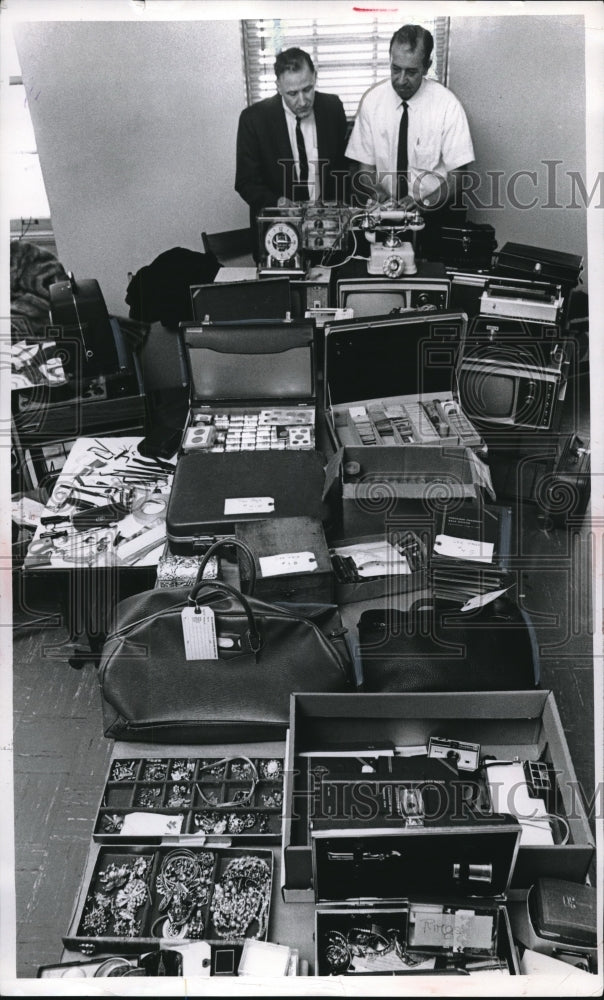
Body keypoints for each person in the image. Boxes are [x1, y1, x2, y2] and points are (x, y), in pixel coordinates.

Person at [345, 24, 475, 254]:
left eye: (412, 72)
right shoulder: (372, 101)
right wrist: (378, 194)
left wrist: (424, 203)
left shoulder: (447, 106)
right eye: (396, 69)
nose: (401, 79)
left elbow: (458, 178)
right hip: (384, 215)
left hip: (433, 217)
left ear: (427, 67)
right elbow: (363, 170)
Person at [235, 47, 349, 259]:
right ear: (278, 86)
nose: (303, 101)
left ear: (315, 77)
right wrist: (278, 202)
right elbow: (245, 182)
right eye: (293, 94)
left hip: (326, 232)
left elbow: (342, 167)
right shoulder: (253, 120)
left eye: (307, 89)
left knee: (327, 290)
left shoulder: (333, 107)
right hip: (278, 235)